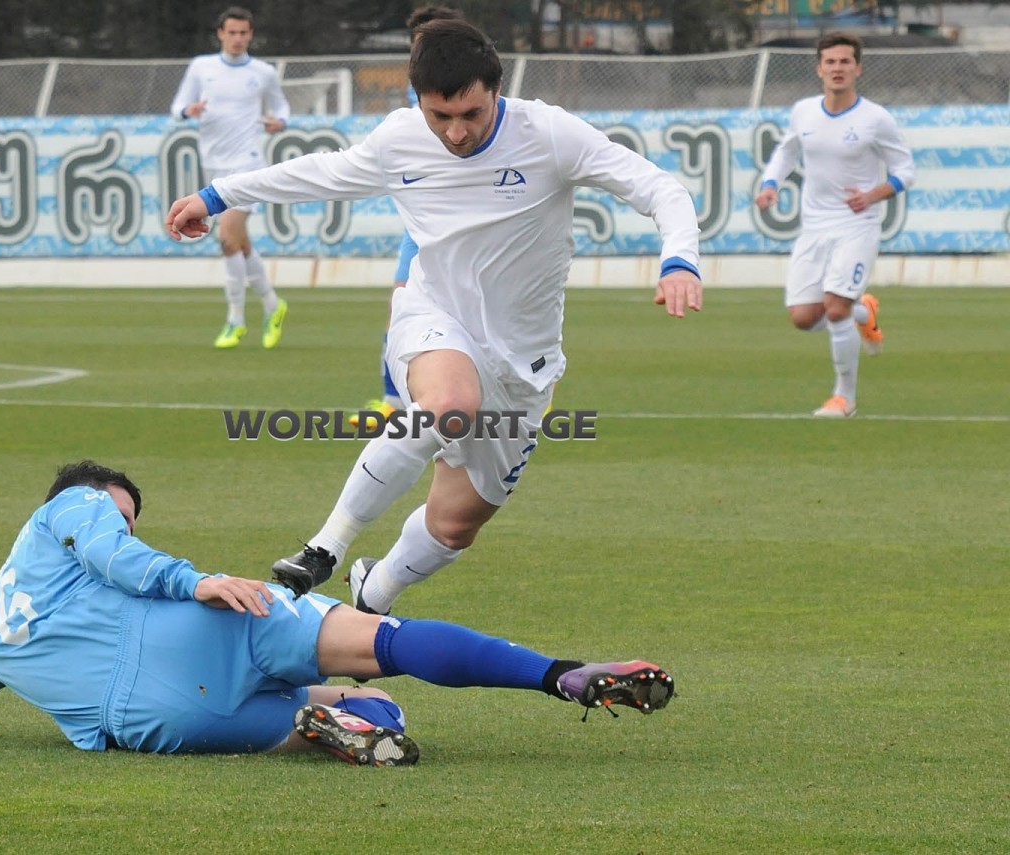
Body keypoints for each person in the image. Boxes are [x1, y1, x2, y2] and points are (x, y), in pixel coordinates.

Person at [165, 20, 702, 617]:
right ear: (417, 100)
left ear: (497, 89)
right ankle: (325, 547)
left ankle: (374, 593)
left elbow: (660, 189)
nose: (456, 132)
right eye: (439, 116)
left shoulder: (549, 133)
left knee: (453, 527)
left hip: (525, 365)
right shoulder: (399, 138)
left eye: (471, 114)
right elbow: (319, 173)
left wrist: (679, 260)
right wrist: (214, 196)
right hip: (433, 315)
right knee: (449, 403)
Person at [0, 461, 676, 766]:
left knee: (353, 709)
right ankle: (559, 674)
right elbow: (116, 553)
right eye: (117, 510)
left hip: (153, 717)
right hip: (216, 619)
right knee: (388, 643)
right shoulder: (71, 509)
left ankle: (333, 726)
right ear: (75, 500)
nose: (118, 523)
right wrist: (190, 580)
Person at [754, 31, 915, 418]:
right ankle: (865, 312)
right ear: (819, 69)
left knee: (836, 308)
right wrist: (770, 184)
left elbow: (906, 170)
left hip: (857, 224)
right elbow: (786, 151)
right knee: (803, 318)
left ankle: (844, 398)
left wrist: (874, 195)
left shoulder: (875, 118)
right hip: (814, 226)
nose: (837, 68)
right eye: (830, 62)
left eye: (845, 61)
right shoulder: (804, 111)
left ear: (858, 68)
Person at [349, 5, 465, 430]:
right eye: (416, 46)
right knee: (400, 300)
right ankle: (393, 401)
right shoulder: (414, 95)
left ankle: (526, 392)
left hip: (470, 223)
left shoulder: (469, 87)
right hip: (420, 222)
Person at [170, 6, 291, 350]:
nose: (237, 38)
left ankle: (235, 319)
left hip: (248, 165)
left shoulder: (263, 72)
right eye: (232, 32)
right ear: (220, 34)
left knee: (227, 236)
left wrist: (279, 123)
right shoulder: (201, 67)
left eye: (243, 33)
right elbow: (177, 108)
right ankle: (273, 304)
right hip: (214, 165)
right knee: (239, 242)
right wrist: (188, 110)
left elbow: (282, 108)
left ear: (250, 35)